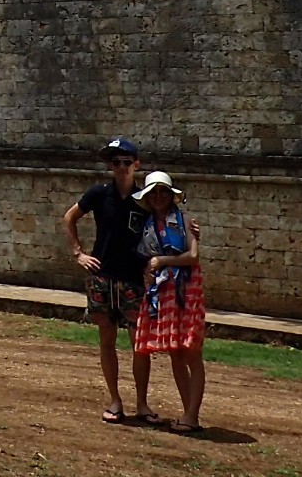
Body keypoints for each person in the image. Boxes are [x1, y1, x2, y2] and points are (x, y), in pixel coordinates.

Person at [63, 137, 152, 423]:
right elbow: (70, 217)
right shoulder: (99, 194)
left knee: (140, 345)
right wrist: (78, 253)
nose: (122, 167)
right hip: (102, 277)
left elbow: (167, 224)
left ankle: (142, 403)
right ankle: (115, 400)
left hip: (133, 280)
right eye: (116, 162)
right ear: (110, 166)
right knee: (107, 341)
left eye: (127, 162)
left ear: (136, 165)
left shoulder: (145, 201)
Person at [131, 170, 207, 432]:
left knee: (191, 353)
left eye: (164, 191)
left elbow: (193, 256)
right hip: (163, 292)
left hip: (186, 289)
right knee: (176, 352)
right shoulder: (148, 224)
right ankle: (188, 415)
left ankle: (192, 415)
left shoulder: (185, 220)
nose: (159, 196)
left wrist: (163, 261)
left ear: (171, 195)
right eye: (154, 192)